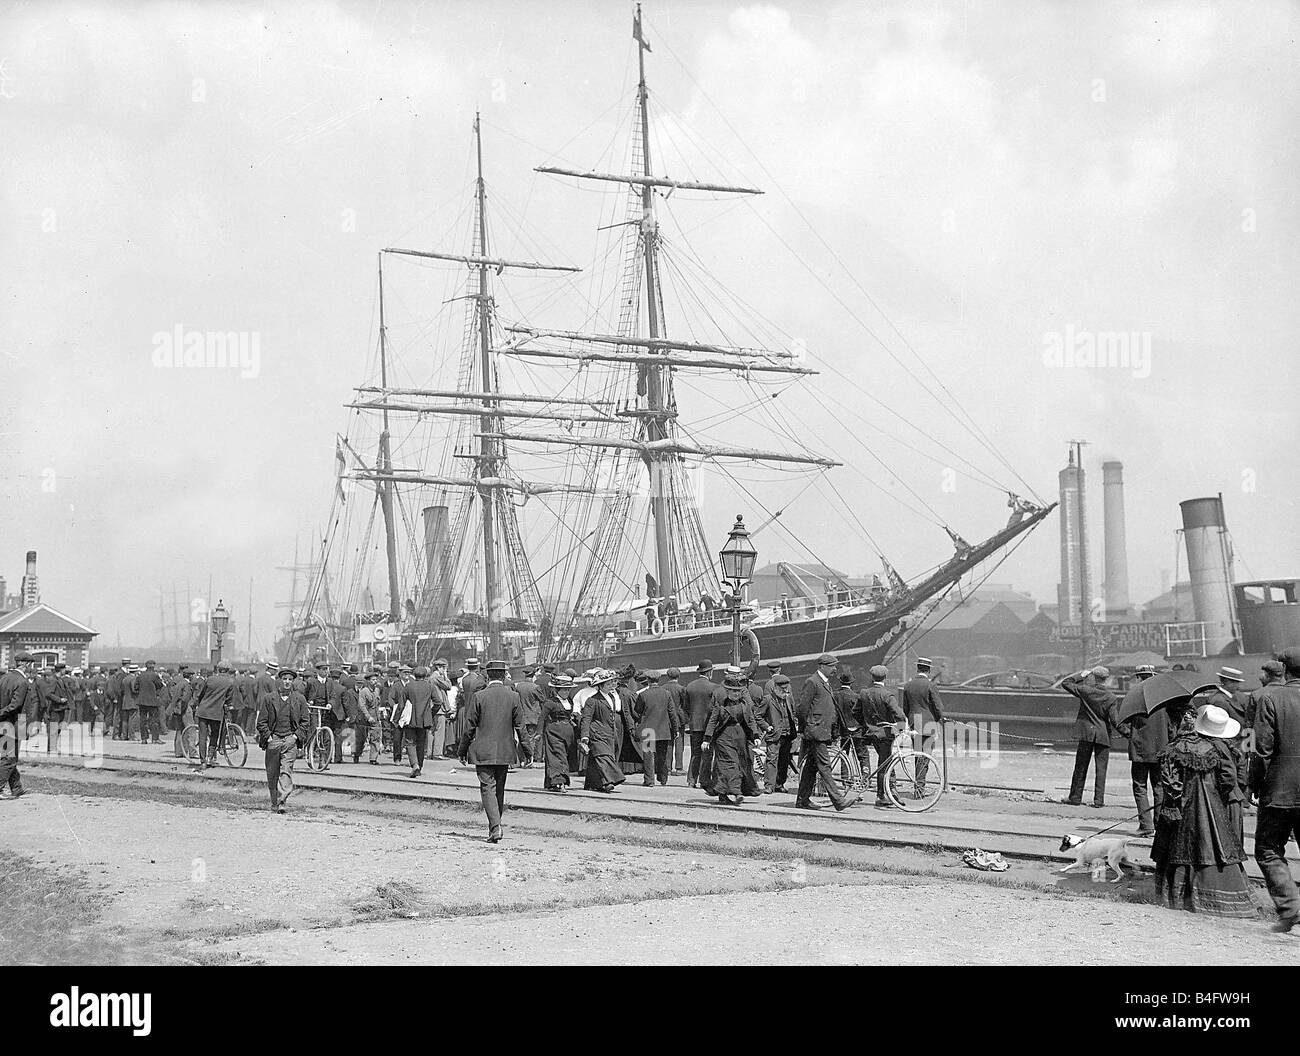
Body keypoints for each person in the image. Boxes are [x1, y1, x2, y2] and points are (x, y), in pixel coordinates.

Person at [1153, 703, 1255, 919]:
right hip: (1211, 804)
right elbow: (1226, 779)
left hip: (1183, 806)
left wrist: (1174, 799)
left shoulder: (1173, 749)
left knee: (1181, 845)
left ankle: (1179, 896)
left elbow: (1170, 785)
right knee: (1214, 845)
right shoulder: (1211, 748)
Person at [1251, 647, 1300, 932]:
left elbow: (1261, 750)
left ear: (1284, 670)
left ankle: (1290, 908)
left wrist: (1254, 784)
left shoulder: (1270, 697)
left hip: (1280, 791)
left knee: (1268, 849)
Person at [457, 659, 524, 842]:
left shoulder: (480, 696)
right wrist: (528, 750)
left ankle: (495, 828)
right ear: (504, 675)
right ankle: (495, 827)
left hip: (483, 751)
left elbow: (469, 728)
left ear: (487, 675)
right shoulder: (513, 696)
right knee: (499, 789)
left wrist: (462, 750)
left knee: (487, 789)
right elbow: (521, 727)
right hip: (505, 750)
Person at [794, 653, 861, 812]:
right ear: (822, 666)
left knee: (811, 767)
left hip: (821, 731)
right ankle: (838, 801)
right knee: (825, 766)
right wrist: (804, 729)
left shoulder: (824, 682)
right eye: (831, 666)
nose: (834, 669)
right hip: (816, 731)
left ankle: (802, 800)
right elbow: (802, 708)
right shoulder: (812, 682)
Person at [1113, 664, 1167, 836]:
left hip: (1140, 750)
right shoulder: (1164, 697)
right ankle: (1161, 825)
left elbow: (1120, 722)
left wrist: (1131, 735)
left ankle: (1146, 826)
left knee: (1140, 787)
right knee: (1159, 787)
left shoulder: (1135, 696)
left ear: (1140, 677)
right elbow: (1172, 727)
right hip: (1160, 750)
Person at [702, 672, 762, 805]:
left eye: (739, 691)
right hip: (724, 738)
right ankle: (736, 792)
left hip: (740, 738)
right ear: (727, 691)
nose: (736, 694)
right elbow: (712, 721)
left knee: (741, 765)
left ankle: (722, 795)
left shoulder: (745, 704)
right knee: (730, 765)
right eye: (733, 691)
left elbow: (751, 720)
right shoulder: (721, 704)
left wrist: (756, 736)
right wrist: (706, 739)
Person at [1059, 666, 1115, 808]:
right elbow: (1115, 720)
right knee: (1101, 769)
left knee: (1081, 766)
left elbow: (1066, 683)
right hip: (1103, 736)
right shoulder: (1111, 697)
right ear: (1105, 679)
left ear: (1093, 676)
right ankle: (1098, 801)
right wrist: (1129, 733)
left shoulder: (1085, 691)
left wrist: (1081, 675)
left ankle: (1075, 798)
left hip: (1086, 734)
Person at [257, 667, 308, 813]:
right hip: (274, 741)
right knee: (272, 773)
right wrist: (269, 737)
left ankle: (282, 801)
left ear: (293, 682)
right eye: (284, 679)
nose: (287, 682)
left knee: (286, 771)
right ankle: (275, 802)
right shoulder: (269, 698)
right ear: (279, 680)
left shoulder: (299, 699)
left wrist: (295, 737)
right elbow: (261, 722)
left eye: (290, 680)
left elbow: (305, 721)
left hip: (290, 740)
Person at [857, 665, 906, 807]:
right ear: (885, 677)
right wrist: (902, 728)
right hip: (884, 734)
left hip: (870, 733)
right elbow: (899, 714)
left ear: (872, 677)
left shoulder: (864, 693)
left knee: (885, 762)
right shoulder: (887, 694)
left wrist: (866, 724)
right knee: (884, 763)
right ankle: (881, 796)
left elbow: (856, 712)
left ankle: (891, 791)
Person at [902, 657, 945, 795]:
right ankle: (919, 789)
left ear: (917, 668)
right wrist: (939, 720)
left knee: (918, 755)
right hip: (928, 724)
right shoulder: (930, 685)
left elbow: (905, 708)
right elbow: (938, 707)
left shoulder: (908, 685)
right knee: (925, 756)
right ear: (929, 670)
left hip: (915, 723)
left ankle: (918, 786)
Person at [579, 670, 627, 793]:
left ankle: (595, 784)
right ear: (600, 685)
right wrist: (585, 736)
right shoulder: (592, 700)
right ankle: (611, 780)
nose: (611, 685)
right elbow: (586, 719)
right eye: (608, 684)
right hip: (596, 733)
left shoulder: (611, 697)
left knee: (597, 759)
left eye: (612, 683)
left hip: (610, 733)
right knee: (602, 756)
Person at [633, 670, 680, 787]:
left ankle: (649, 780)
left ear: (648, 680)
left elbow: (637, 710)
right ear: (659, 680)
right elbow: (672, 713)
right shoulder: (666, 694)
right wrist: (676, 729)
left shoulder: (643, 695)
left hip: (648, 729)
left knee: (648, 755)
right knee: (663, 755)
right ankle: (663, 778)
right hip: (664, 729)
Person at [191, 660, 237, 770]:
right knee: (214, 735)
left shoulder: (210, 679)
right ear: (228, 670)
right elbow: (229, 699)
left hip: (203, 711)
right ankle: (210, 758)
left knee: (202, 736)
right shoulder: (230, 682)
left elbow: (201, 694)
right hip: (216, 713)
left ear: (218, 669)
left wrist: (199, 704)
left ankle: (202, 761)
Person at [756, 673, 797, 793]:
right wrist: (766, 726)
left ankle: (779, 784)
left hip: (787, 735)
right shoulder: (768, 699)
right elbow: (758, 716)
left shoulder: (788, 698)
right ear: (775, 688)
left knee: (784, 761)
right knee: (771, 760)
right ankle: (769, 786)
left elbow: (792, 712)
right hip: (774, 735)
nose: (786, 692)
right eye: (783, 690)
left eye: (787, 689)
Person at [0, 652, 33, 799]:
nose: (31, 668)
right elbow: (15, 705)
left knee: (8, 756)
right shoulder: (22, 682)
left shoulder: (4, 678)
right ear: (25, 665)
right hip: (13, 724)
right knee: (10, 758)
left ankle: (16, 788)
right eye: (31, 665)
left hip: (3, 724)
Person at [539, 673, 578, 793]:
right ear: (557, 690)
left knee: (563, 756)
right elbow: (542, 718)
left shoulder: (570, 701)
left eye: (568, 690)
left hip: (568, 733)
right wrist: (538, 733)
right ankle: (560, 782)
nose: (566, 692)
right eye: (564, 690)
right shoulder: (550, 702)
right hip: (554, 732)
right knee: (557, 757)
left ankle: (551, 783)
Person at [395, 666, 435, 777]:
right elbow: (438, 701)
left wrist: (396, 719)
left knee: (410, 742)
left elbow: (401, 705)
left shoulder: (408, 686)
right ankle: (420, 767)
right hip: (424, 721)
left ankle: (414, 765)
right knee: (421, 744)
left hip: (410, 719)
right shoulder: (430, 687)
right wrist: (430, 713)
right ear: (425, 675)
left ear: (414, 675)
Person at [684, 660, 717, 789]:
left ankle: (691, 780)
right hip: (708, 726)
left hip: (694, 725)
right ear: (710, 672)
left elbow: (686, 706)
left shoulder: (690, 686)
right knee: (707, 754)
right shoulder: (713, 687)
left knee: (695, 753)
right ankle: (704, 780)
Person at [514, 665, 543, 767]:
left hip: (520, 716)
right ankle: (528, 759)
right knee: (530, 738)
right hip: (532, 716)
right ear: (533, 674)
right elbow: (542, 700)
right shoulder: (535, 687)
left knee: (521, 737)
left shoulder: (518, 686)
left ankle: (520, 760)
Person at [135, 659, 166, 745]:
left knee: (143, 720)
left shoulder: (140, 675)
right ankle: (155, 739)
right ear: (153, 666)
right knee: (154, 720)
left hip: (141, 701)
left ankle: (144, 739)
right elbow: (160, 685)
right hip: (152, 701)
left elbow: (135, 687)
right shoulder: (155, 676)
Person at [354, 671, 381, 764]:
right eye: (373, 680)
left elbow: (377, 705)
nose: (375, 681)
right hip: (364, 718)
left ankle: (373, 758)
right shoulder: (363, 691)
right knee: (361, 739)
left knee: (376, 737)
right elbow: (362, 706)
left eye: (376, 679)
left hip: (375, 718)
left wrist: (378, 717)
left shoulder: (377, 690)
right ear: (368, 681)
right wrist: (368, 716)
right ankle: (357, 754)